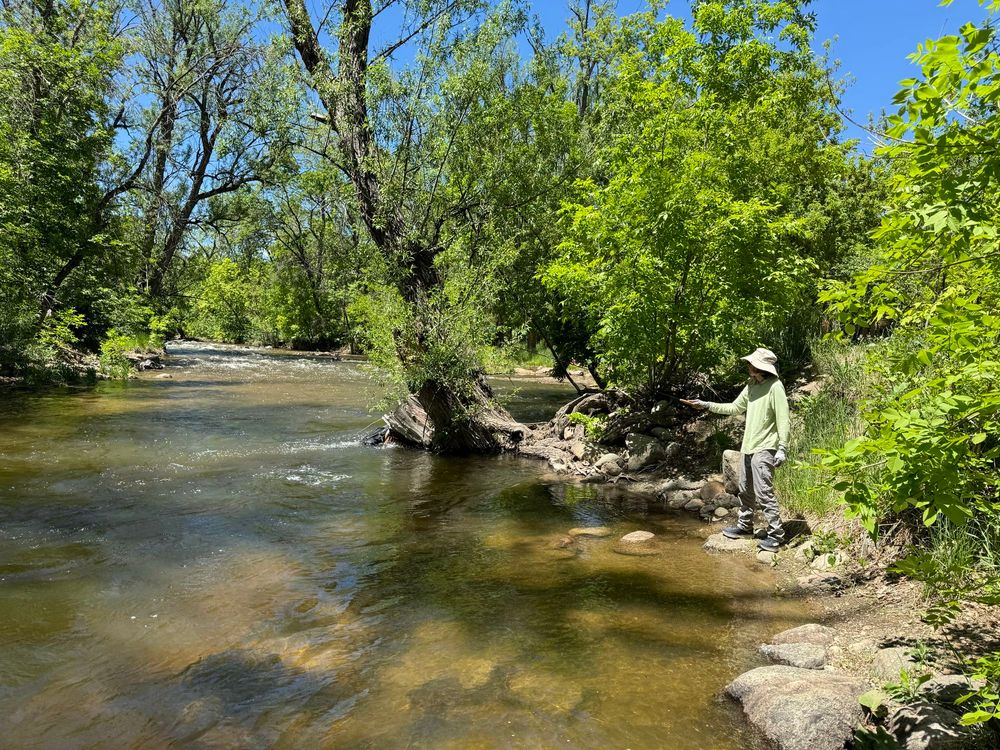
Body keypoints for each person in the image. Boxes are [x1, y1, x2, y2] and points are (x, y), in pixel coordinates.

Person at [680, 347, 790, 552]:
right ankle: (745, 526)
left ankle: (776, 536)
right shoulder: (751, 385)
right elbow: (734, 408)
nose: (748, 366)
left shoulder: (776, 387)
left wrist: (782, 447)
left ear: (759, 366)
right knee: (745, 490)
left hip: (766, 447)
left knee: (763, 492)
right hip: (748, 447)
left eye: (750, 363)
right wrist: (705, 404)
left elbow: (783, 420)